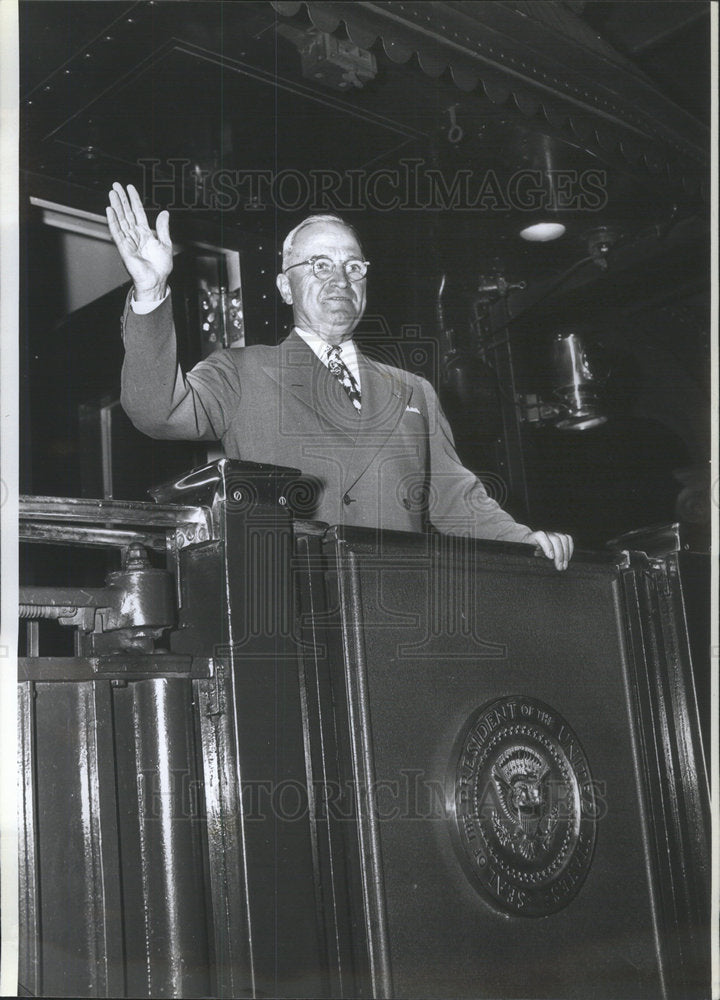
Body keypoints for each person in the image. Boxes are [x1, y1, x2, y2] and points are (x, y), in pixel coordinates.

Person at [108, 182, 573, 569]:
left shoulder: (414, 391)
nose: (340, 280)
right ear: (285, 286)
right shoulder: (241, 370)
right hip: (296, 611)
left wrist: (527, 540)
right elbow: (157, 411)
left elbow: (456, 500)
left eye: (353, 267)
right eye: (319, 266)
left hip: (393, 601)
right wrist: (151, 291)